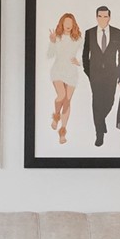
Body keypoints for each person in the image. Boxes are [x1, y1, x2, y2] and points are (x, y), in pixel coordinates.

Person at [80, 5, 120, 147]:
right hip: (95, 74)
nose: (103, 19)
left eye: (105, 16)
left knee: (109, 101)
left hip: (112, 73)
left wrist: (119, 73)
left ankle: (100, 120)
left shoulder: (117, 33)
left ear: (109, 17)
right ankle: (99, 133)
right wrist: (88, 71)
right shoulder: (90, 33)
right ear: (96, 17)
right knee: (97, 101)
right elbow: (85, 54)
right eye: (100, 16)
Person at [45, 12, 83, 145]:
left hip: (71, 72)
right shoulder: (57, 37)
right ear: (62, 24)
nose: (68, 25)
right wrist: (52, 41)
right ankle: (56, 116)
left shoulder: (78, 39)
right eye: (65, 23)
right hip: (58, 70)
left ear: (73, 25)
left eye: (70, 23)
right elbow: (50, 55)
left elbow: (86, 54)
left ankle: (63, 131)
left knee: (67, 101)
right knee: (61, 96)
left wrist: (79, 62)